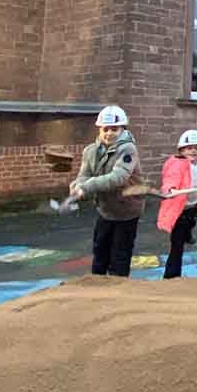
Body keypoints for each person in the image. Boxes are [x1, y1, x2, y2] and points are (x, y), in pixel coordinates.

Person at [70, 105, 145, 277]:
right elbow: (84, 175)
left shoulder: (128, 149)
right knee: (100, 249)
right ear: (99, 129)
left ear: (122, 129)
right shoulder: (90, 151)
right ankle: (97, 288)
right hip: (105, 209)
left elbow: (118, 177)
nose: (109, 133)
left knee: (120, 254)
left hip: (127, 209)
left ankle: (118, 292)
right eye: (105, 129)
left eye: (114, 129)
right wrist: (77, 186)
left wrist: (87, 186)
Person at [157, 129, 197, 279]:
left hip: (192, 206)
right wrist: (170, 189)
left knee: (190, 224)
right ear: (181, 150)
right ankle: (171, 276)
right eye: (189, 148)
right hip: (178, 209)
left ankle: (188, 234)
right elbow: (170, 178)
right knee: (177, 245)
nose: (193, 151)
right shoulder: (176, 164)